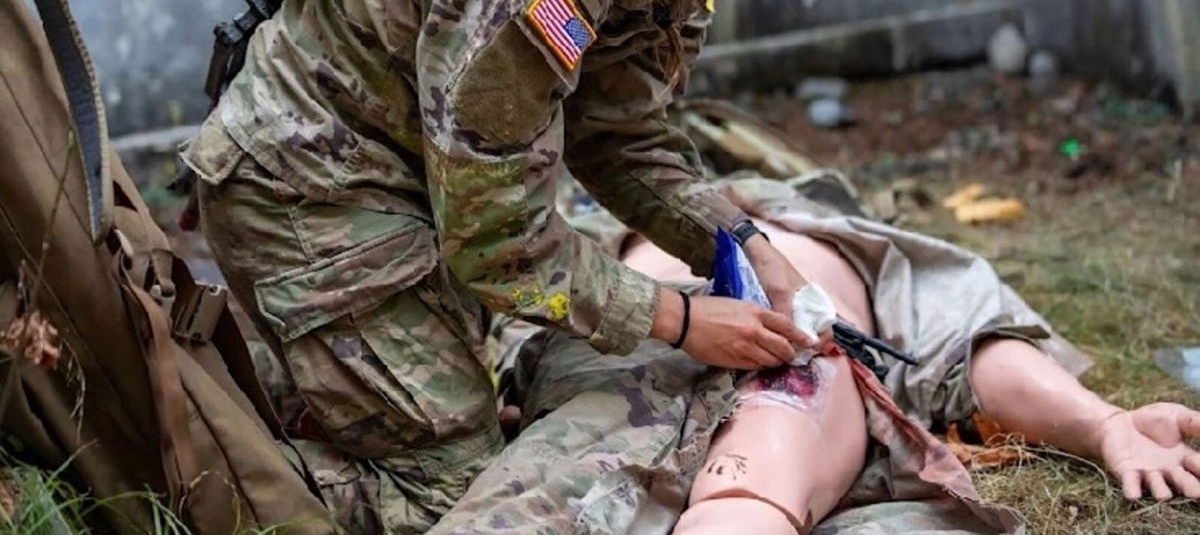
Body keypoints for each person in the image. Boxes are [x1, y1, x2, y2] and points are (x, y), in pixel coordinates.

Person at [181, 0, 856, 531]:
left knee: (466, 419)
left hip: (408, 178)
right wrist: (676, 321)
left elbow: (623, 136)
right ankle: (185, 468)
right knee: (454, 493)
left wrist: (744, 248)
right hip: (306, 195)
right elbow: (499, 242)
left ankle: (304, 388)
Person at [431, 169, 1200, 534]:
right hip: (627, 356)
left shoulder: (845, 249)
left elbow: (970, 346)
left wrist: (1104, 426)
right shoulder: (586, 254)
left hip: (756, 380)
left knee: (746, 495)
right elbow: (964, 352)